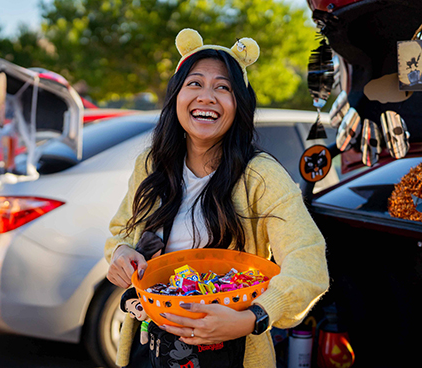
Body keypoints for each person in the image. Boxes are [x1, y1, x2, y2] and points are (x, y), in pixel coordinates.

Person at [105, 28, 329, 368]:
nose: (206, 96)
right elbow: (121, 231)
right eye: (194, 83)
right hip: (149, 348)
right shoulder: (151, 164)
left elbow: (308, 262)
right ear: (176, 97)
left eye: (223, 87)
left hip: (232, 354)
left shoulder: (261, 175)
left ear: (239, 105)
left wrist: (253, 317)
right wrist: (122, 252)